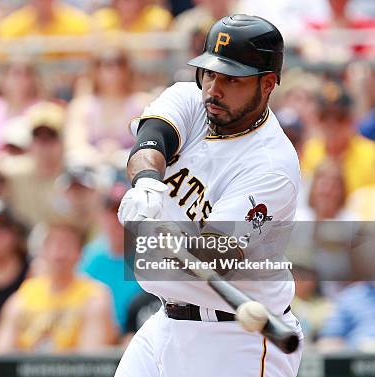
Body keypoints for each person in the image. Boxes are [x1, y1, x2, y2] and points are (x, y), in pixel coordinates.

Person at [116, 15, 303, 377]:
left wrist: (159, 233)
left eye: (232, 79)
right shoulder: (191, 98)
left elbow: (216, 255)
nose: (214, 89)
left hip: (235, 339)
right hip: (165, 323)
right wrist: (146, 183)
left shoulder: (272, 166)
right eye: (211, 73)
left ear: (267, 84)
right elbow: (151, 140)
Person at [0, 220, 116, 353]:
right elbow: (0, 353)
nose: (59, 252)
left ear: (80, 253)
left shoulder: (95, 296)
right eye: (53, 244)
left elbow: (90, 360)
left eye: (67, 245)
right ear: (43, 250)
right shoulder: (23, 296)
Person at [79, 180, 142, 333]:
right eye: (112, 212)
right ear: (101, 216)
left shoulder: (149, 255)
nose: (118, 220)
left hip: (136, 334)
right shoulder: (91, 256)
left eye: (124, 212)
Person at [301, 82, 375, 195]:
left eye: (340, 117)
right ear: (316, 119)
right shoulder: (309, 151)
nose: (332, 124)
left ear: (351, 119)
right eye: (324, 116)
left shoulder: (370, 154)